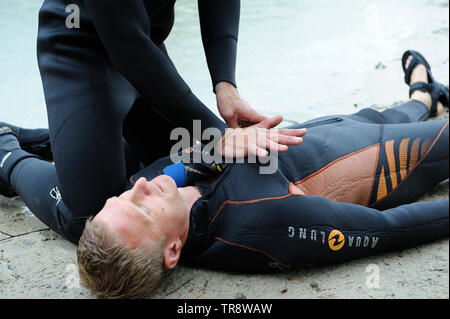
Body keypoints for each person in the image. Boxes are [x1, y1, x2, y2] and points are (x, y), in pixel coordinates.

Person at [74, 50, 449, 298]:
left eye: (119, 198)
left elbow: (187, 169)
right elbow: (387, 230)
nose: (137, 185)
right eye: (140, 209)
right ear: (173, 251)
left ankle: (423, 93)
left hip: (332, 126)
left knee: (392, 112)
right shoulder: (264, 223)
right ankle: (424, 93)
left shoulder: (165, 190)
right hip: (388, 156)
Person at [0, 0, 305, 242]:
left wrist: (225, 83)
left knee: (182, 163)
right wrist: (218, 134)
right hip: (79, 48)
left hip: (146, 48)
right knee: (95, 221)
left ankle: (65, 144)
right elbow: (127, 46)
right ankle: (6, 150)